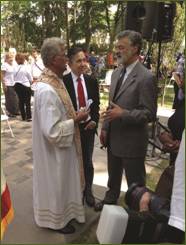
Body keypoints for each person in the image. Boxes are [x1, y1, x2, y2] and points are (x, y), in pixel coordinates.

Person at [95, 30, 157, 211]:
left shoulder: (146, 77)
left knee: (135, 186)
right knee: (113, 178)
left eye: (121, 47)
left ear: (135, 48)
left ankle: (137, 215)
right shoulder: (116, 73)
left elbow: (150, 113)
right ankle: (109, 200)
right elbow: (111, 106)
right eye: (116, 47)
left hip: (132, 143)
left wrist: (124, 114)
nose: (117, 51)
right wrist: (105, 127)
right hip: (113, 139)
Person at [32, 37, 89, 234]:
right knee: (56, 183)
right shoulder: (47, 89)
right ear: (55, 59)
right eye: (64, 55)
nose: (67, 58)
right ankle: (56, 221)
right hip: (53, 152)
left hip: (62, 149)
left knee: (63, 182)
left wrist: (74, 116)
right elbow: (53, 131)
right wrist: (76, 119)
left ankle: (67, 213)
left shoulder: (55, 80)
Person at [63, 47, 100, 207]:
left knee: (87, 162)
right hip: (72, 128)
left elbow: (97, 106)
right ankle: (73, 192)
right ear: (69, 63)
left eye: (84, 59)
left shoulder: (91, 81)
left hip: (88, 129)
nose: (83, 63)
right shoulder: (63, 83)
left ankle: (88, 192)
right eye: (78, 61)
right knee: (72, 162)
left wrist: (95, 121)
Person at [14, 53, 33, 121]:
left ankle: (23, 116)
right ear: (23, 59)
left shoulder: (15, 68)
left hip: (17, 85)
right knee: (27, 102)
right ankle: (29, 117)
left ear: (16, 60)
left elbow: (13, 77)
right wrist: (31, 84)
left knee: (21, 101)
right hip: (25, 85)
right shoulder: (26, 67)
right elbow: (30, 78)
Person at [1, 53, 19, 117]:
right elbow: (2, 75)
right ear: (6, 58)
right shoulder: (4, 65)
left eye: (12, 57)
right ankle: (10, 112)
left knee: (15, 98)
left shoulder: (13, 64)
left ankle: (16, 111)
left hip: (14, 83)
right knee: (9, 99)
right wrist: (4, 84)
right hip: (8, 84)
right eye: (9, 57)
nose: (11, 59)